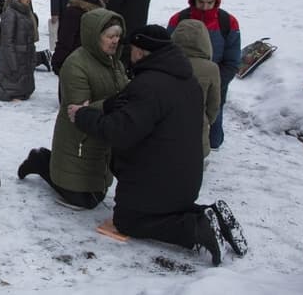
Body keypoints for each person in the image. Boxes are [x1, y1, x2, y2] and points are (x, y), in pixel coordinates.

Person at [68, 25, 248, 266]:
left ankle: (195, 228)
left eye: (131, 49)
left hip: (157, 180)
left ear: (141, 52)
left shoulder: (149, 85)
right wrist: (110, 105)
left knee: (128, 220)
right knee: (166, 211)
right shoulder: (185, 79)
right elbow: (138, 107)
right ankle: (213, 217)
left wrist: (82, 116)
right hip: (186, 179)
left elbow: (119, 131)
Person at [17, 9, 128, 209]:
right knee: (85, 201)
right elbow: (77, 110)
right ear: (95, 36)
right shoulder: (76, 65)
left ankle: (48, 161)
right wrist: (111, 104)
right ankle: (40, 160)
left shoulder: (115, 63)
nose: (115, 41)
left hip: (102, 137)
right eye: (110, 36)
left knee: (97, 192)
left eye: (118, 36)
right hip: (79, 139)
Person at [167, 0, 241, 150]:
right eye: (201, 2)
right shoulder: (178, 19)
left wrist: (217, 81)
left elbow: (232, 60)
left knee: (213, 123)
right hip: (182, 79)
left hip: (214, 81)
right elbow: (166, 51)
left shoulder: (228, 23)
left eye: (210, 2)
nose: (205, 7)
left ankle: (212, 144)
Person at [172, 19, 221, 159]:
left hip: (167, 129)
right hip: (197, 130)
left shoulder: (166, 61)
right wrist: (206, 119)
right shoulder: (211, 68)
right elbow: (214, 104)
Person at [50, 0, 104, 76]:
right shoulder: (99, 11)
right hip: (92, 61)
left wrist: (57, 61)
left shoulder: (73, 12)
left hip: (73, 61)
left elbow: (66, 40)